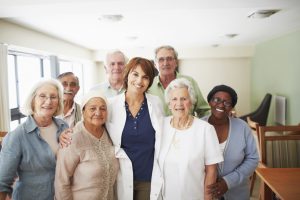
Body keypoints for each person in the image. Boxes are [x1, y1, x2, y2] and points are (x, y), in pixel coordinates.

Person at [106, 57, 164, 200]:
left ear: (150, 81)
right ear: (127, 75)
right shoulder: (110, 105)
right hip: (120, 176)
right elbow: (92, 128)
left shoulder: (156, 103)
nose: (139, 81)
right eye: (135, 74)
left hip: (148, 177)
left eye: (145, 77)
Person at [0, 79, 68, 200]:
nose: (48, 101)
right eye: (42, 96)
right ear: (32, 100)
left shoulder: (64, 127)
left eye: (53, 97)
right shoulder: (17, 136)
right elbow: (2, 183)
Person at [158, 78, 223, 200]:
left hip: (194, 196)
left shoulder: (205, 130)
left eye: (184, 99)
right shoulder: (161, 126)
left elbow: (212, 171)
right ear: (169, 103)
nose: (179, 104)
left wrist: (207, 198)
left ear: (191, 102)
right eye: (174, 99)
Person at [55, 91, 119, 200]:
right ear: (83, 111)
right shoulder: (72, 138)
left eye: (103, 109)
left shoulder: (111, 134)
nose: (98, 113)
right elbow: (61, 182)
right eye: (92, 108)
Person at [202, 85, 259, 200]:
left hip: (237, 192)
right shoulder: (198, 126)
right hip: (203, 192)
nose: (221, 105)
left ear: (232, 107)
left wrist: (228, 182)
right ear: (209, 102)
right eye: (216, 100)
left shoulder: (242, 127)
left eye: (227, 102)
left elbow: (252, 159)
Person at [148, 45, 209, 117]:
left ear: (176, 62)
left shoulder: (190, 82)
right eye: (161, 59)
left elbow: (204, 111)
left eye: (169, 59)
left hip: (187, 127)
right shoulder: (149, 85)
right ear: (155, 64)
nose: (165, 63)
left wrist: (200, 126)